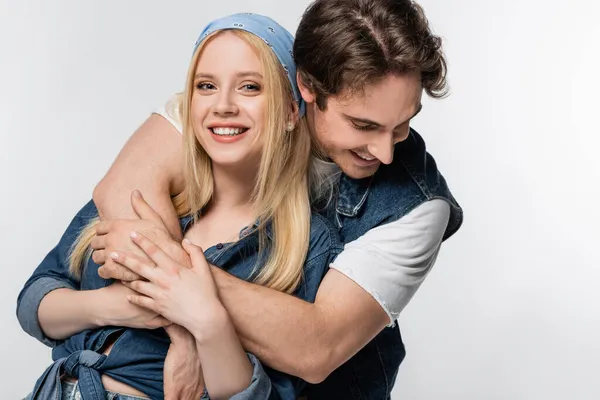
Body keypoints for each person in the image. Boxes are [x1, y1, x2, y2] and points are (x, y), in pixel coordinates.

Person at [90, 0, 464, 398]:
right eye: (363, 125)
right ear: (305, 88)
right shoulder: (241, 95)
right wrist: (186, 329)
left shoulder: (420, 206)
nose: (386, 152)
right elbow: (121, 190)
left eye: (403, 125)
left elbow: (317, 347)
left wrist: (194, 303)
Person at [17, 13, 343, 400]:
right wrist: (115, 306)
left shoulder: (304, 246)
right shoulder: (141, 193)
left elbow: (261, 395)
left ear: (292, 112)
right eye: (206, 86)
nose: (223, 105)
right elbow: (34, 303)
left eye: (250, 88)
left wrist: (204, 323)